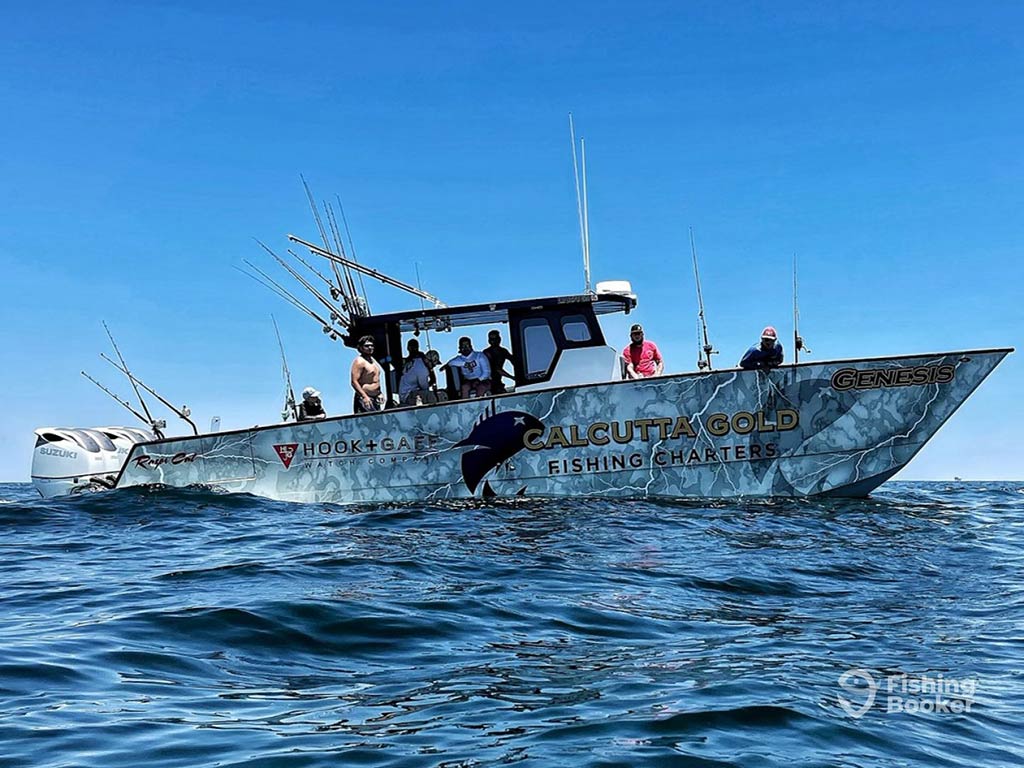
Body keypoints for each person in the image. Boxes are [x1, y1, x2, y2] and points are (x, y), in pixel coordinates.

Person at [351, 335, 385, 413]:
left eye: (371, 345)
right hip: (365, 398)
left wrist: (379, 393)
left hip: (375, 398)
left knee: (377, 422)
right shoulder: (359, 361)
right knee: (366, 423)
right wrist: (364, 397)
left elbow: (375, 380)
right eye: (367, 346)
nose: (370, 348)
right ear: (360, 347)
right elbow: (354, 382)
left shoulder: (373, 361)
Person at [399, 338, 437, 406]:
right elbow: (425, 387)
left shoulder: (416, 362)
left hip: (407, 393)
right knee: (430, 396)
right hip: (407, 396)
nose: (433, 367)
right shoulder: (422, 368)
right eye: (433, 364)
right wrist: (431, 372)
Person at [483, 329, 515, 395]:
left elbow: (514, 361)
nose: (494, 341)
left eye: (496, 338)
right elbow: (497, 369)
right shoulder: (486, 352)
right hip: (488, 382)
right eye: (492, 339)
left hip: (498, 382)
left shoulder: (503, 351)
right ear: (489, 341)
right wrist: (512, 377)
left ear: (500, 339)